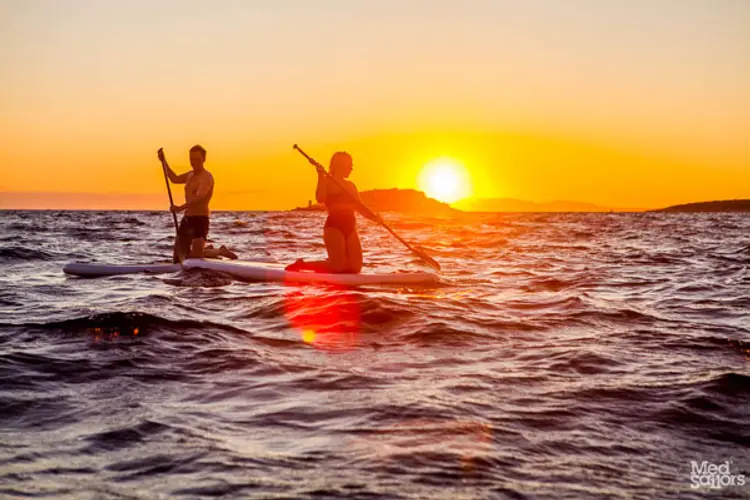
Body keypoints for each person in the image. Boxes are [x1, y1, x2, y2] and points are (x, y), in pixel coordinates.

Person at [286, 151, 381, 274]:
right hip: (334, 227)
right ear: (339, 165)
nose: (351, 169)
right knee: (338, 268)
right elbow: (320, 198)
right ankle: (303, 265)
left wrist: (375, 218)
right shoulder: (327, 181)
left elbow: (360, 207)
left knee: (355, 268)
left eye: (351, 166)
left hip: (351, 227)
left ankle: (332, 262)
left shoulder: (350, 185)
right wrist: (320, 175)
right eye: (349, 166)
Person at [158, 145, 216, 263]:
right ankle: (211, 251)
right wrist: (164, 162)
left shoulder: (206, 177)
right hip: (187, 220)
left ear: (204, 159)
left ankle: (218, 252)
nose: (193, 162)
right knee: (178, 259)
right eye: (191, 159)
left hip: (200, 220)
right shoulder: (190, 175)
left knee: (195, 259)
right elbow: (174, 179)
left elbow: (198, 198)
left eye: (197, 159)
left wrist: (180, 208)